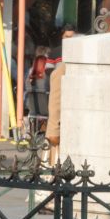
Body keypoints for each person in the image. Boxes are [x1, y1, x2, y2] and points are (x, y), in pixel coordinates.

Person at [44, 30, 75, 164]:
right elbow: (48, 70)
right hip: (58, 88)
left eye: (71, 36)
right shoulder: (56, 52)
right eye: (67, 36)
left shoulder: (75, 53)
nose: (69, 39)